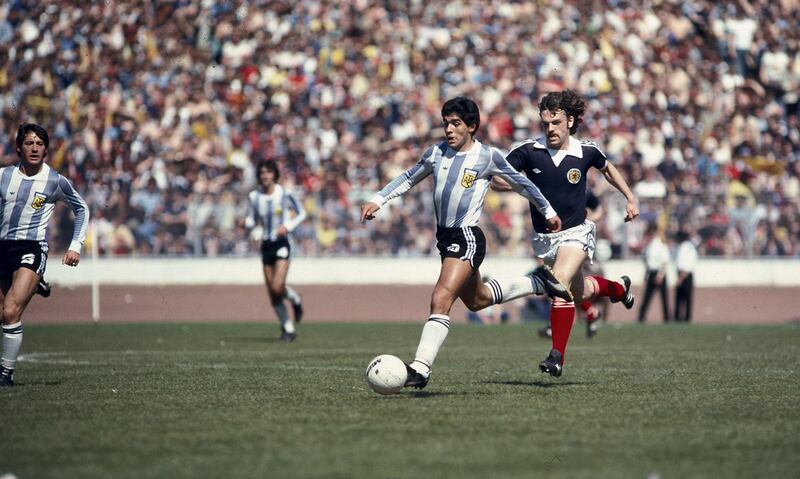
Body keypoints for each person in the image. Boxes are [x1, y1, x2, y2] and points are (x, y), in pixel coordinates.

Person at [360, 96, 570, 390]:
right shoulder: (436, 153)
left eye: (456, 124)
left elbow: (523, 184)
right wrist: (378, 199)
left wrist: (548, 211)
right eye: (446, 123)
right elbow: (409, 178)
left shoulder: (488, 156)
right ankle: (536, 281)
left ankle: (420, 368)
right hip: (445, 240)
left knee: (441, 297)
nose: (449, 129)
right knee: (478, 300)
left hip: (467, 237)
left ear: (472, 126)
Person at [496, 89, 639, 377]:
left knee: (559, 285)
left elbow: (608, 169)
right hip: (544, 241)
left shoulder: (586, 150)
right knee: (579, 290)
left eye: (556, 122)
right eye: (545, 123)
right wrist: (518, 184)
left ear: (570, 121)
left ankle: (556, 356)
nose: (550, 129)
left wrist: (630, 197)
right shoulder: (528, 151)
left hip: (577, 233)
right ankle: (619, 288)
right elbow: (498, 179)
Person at [0, 123, 89, 386]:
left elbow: (81, 208)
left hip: (31, 247)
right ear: (18, 148)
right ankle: (33, 282)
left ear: (46, 150)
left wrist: (76, 245)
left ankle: (5, 374)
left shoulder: (54, 181)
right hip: (2, 247)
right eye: (29, 143)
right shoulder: (3, 176)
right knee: (2, 313)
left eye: (39, 144)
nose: (35, 148)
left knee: (11, 311)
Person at [245, 160, 306, 341]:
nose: (265, 176)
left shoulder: (284, 193)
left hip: (281, 243)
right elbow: (251, 219)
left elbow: (301, 213)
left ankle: (295, 299)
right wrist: (245, 224)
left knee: (277, 286)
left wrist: (287, 226)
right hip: (266, 244)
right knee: (272, 292)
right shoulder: (254, 197)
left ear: (275, 174)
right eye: (262, 172)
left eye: (269, 172)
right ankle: (288, 329)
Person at [637, 222, 671, 323]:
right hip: (651, 273)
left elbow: (664, 262)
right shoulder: (649, 246)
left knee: (664, 298)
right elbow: (647, 263)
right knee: (646, 298)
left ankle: (667, 319)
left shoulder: (660, 244)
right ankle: (641, 318)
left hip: (659, 273)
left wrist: (660, 275)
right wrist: (645, 277)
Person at [673, 229, 698, 322]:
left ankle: (681, 318)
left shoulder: (685, 247)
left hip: (685, 275)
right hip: (685, 274)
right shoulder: (687, 247)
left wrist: (680, 278)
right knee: (684, 298)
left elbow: (686, 265)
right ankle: (683, 318)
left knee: (682, 298)